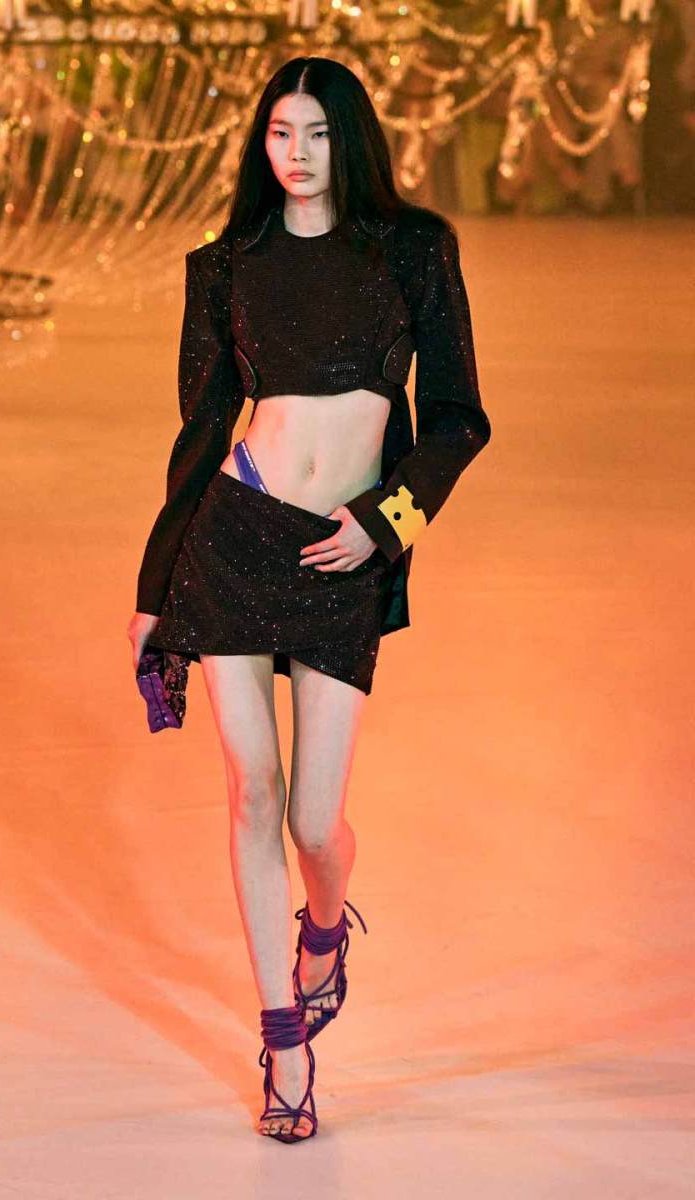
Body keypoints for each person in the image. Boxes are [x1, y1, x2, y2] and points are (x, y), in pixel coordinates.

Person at [126, 56, 492, 1143]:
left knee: (313, 820)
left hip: (345, 555)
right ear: (262, 142)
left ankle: (324, 929)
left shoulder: (412, 249)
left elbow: (459, 419)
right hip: (235, 539)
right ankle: (283, 1041)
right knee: (251, 793)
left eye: (318, 133)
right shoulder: (225, 263)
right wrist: (154, 586)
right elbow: (201, 431)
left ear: (350, 140)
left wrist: (387, 522)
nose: (296, 152)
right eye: (280, 132)